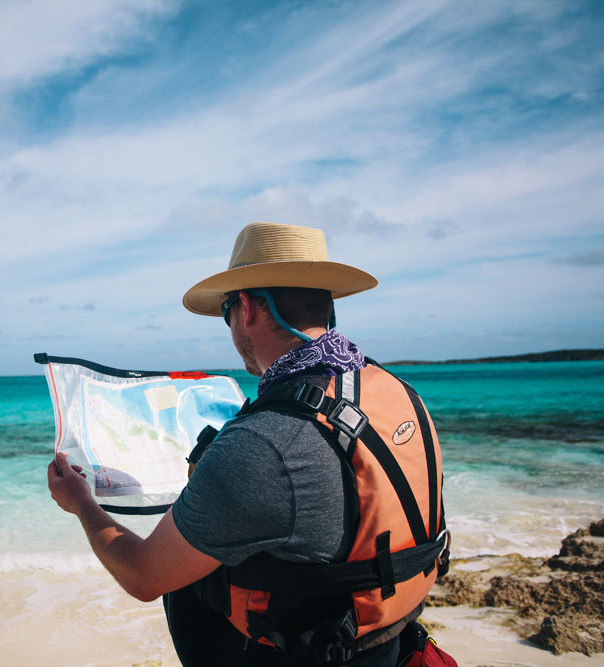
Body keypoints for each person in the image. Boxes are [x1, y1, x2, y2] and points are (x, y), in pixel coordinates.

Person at [48, 222, 447, 666]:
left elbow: (143, 576)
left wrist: (82, 503)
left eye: (226, 312)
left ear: (247, 307)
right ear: (326, 308)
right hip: (387, 645)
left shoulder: (265, 442)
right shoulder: (398, 392)